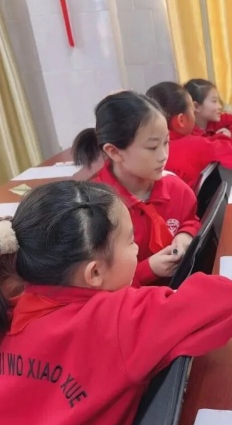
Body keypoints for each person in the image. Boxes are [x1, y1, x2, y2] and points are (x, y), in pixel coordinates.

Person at [0, 180, 232, 425]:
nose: (137, 248)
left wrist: (143, 274)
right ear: (94, 273)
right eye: (130, 241)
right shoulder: (120, 319)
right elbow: (229, 300)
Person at [73, 91, 199, 286]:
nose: (163, 155)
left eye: (166, 142)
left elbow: (190, 220)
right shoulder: (95, 209)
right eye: (152, 147)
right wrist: (148, 270)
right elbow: (98, 283)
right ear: (114, 152)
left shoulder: (176, 189)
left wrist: (185, 235)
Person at [146, 81, 232, 188]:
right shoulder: (196, 144)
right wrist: (215, 139)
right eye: (192, 110)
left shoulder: (142, 150)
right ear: (181, 120)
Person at [184, 78, 232, 142]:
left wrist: (231, 133)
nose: (220, 106)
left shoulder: (218, 121)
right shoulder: (185, 133)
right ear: (196, 107)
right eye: (214, 101)